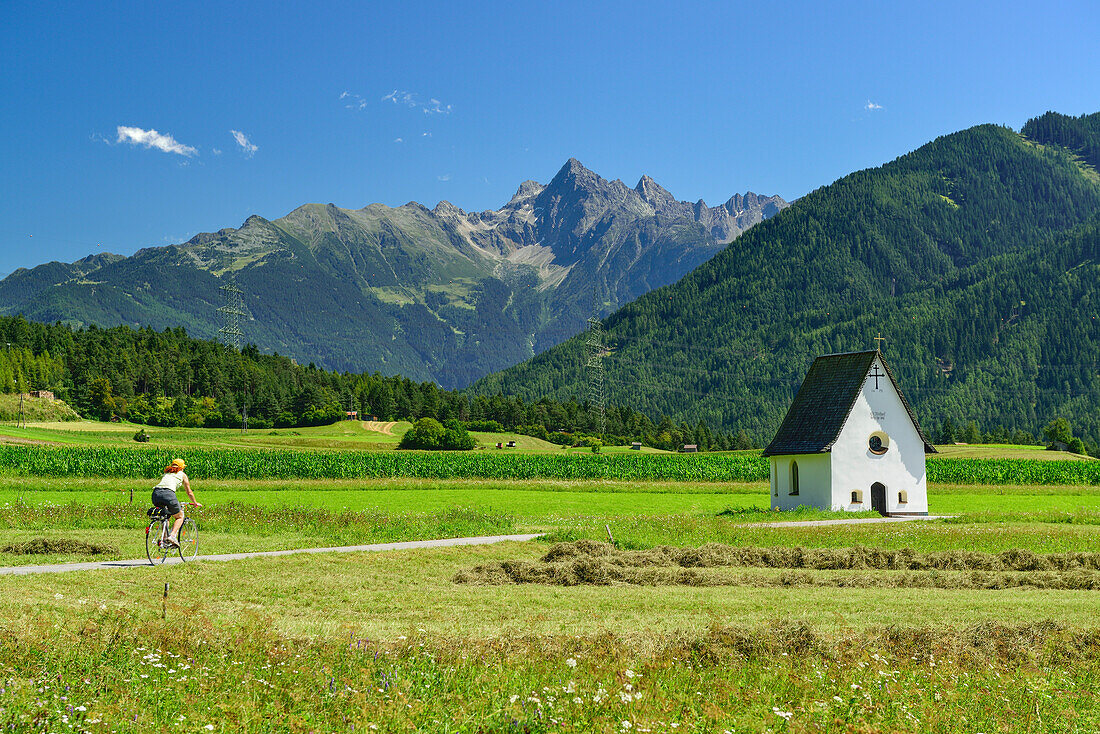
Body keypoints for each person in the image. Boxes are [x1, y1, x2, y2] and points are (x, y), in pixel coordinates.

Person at [151, 458, 201, 547]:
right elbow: (189, 492)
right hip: (168, 494)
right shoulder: (182, 475)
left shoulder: (167, 473)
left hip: (155, 494)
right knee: (180, 516)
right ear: (182, 467)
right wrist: (195, 502)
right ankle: (172, 536)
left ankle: (164, 539)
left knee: (166, 516)